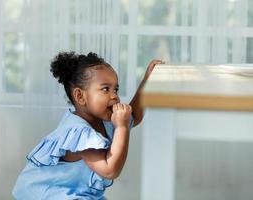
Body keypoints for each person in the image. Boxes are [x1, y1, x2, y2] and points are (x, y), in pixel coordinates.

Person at [12, 52, 163, 199]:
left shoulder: (102, 119)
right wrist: (121, 128)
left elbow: (134, 116)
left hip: (76, 192)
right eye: (105, 89)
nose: (114, 96)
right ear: (80, 96)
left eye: (115, 89)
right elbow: (109, 170)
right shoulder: (79, 132)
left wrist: (148, 80)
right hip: (49, 192)